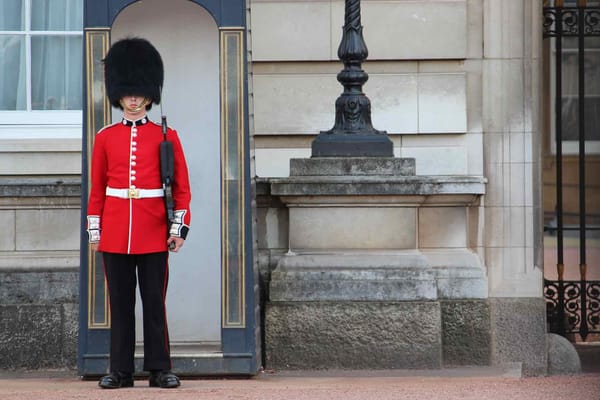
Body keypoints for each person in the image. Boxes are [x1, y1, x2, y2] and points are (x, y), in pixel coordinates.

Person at [86, 37, 191, 389]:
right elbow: (97, 188)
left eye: (138, 93)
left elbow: (182, 189)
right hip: (116, 231)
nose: (132, 99)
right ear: (120, 94)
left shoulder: (168, 136)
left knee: (154, 304)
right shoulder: (106, 137)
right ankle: (120, 371)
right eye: (127, 93)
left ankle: (160, 369)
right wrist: (94, 231)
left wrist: (178, 229)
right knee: (121, 305)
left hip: (153, 230)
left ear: (148, 95)